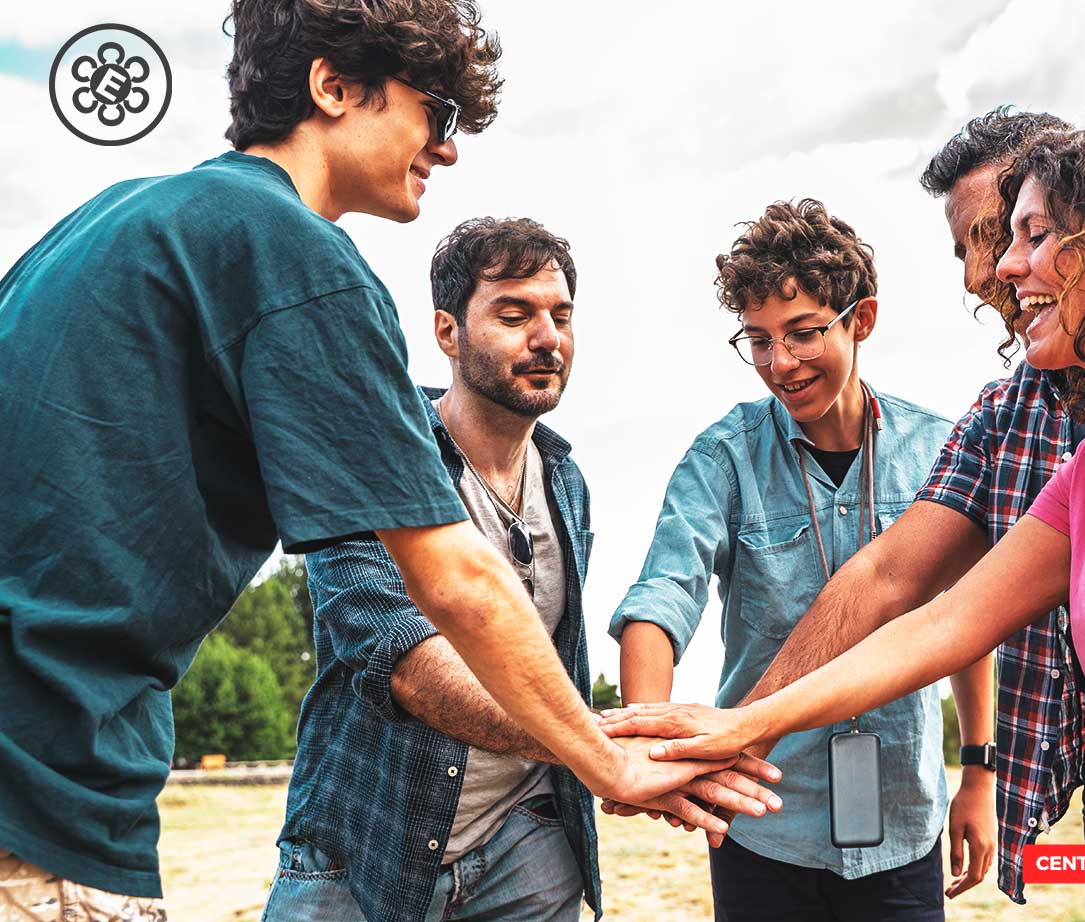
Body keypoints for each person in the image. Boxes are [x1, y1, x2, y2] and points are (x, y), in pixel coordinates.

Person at [0, 1, 742, 915]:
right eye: (437, 110)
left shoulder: (114, 220)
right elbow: (454, 582)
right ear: (333, 86)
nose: (449, 148)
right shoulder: (298, 257)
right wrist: (608, 760)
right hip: (43, 769)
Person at [599, 106, 1085, 920]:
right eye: (992, 241)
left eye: (1031, 235)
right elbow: (938, 618)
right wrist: (738, 729)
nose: (998, 269)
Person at [258, 218, 779, 922]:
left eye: (561, 316)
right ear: (447, 332)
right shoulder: (371, 456)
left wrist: (617, 751)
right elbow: (405, 663)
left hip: (527, 847)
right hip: (367, 844)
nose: (547, 338)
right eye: (514, 315)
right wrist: (601, 750)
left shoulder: (566, 480)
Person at [608, 199, 996, 921]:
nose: (780, 363)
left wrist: (977, 770)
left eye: (804, 333)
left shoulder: (939, 449)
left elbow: (968, 619)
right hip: (763, 828)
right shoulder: (723, 457)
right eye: (758, 340)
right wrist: (647, 739)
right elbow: (662, 596)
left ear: (861, 320)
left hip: (903, 826)